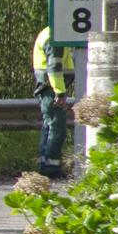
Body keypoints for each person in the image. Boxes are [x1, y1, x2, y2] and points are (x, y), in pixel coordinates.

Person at [31, 24, 74, 178]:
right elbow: (54, 68)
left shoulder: (50, 33)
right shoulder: (54, 37)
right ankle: (51, 168)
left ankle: (45, 164)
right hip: (51, 90)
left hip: (48, 89)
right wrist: (60, 92)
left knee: (49, 126)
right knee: (57, 128)